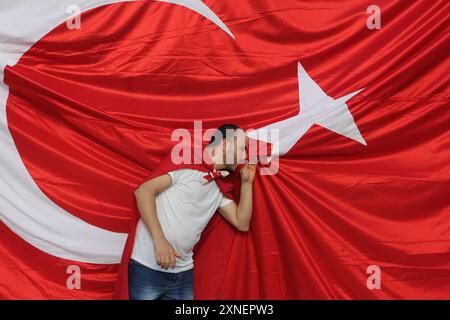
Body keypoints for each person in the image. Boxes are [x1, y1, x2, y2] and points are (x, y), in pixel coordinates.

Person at [128, 124, 256, 300]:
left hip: (183, 273)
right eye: (242, 148)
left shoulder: (219, 185)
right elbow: (143, 191)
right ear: (226, 144)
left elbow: (241, 222)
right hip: (147, 267)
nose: (244, 156)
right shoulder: (186, 162)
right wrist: (160, 240)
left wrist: (247, 184)